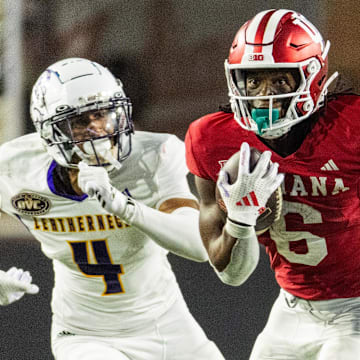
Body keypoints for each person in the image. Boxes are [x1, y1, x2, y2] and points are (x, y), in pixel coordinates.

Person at [0, 57, 225, 360]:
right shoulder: (16, 168)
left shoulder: (154, 156)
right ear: (51, 133)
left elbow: (199, 245)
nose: (97, 129)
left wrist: (123, 206)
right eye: (80, 122)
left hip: (166, 325)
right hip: (84, 334)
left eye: (103, 113)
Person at [185, 8, 360, 360]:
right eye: (253, 81)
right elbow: (231, 274)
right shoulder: (212, 139)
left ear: (310, 76)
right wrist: (240, 217)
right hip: (292, 307)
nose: (264, 97)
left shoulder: (351, 127)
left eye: (279, 80)